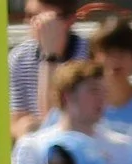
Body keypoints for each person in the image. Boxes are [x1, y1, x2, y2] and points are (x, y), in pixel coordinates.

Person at [8, 0, 84, 133]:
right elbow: (17, 121)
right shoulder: (20, 57)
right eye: (28, 15)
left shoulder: (90, 55)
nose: (29, 22)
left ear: (69, 20)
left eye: (39, 18)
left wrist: (51, 56)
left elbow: (54, 116)